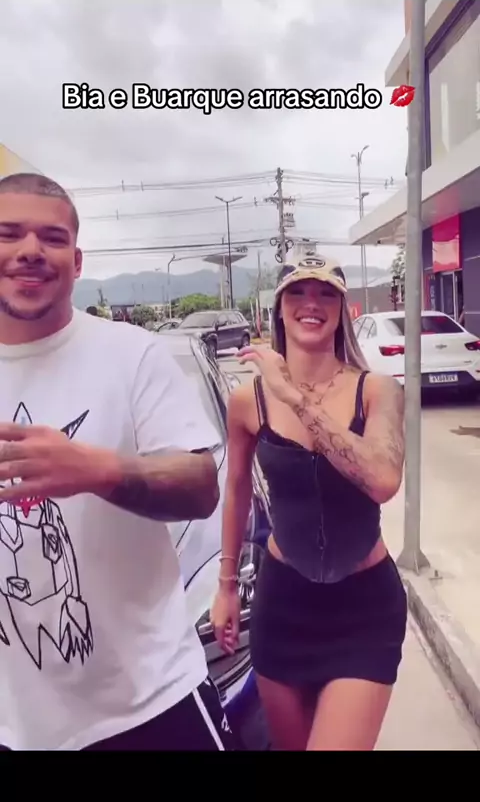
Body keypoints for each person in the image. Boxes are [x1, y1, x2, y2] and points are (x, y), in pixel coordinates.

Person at [0, 172, 235, 751]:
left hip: (151, 701)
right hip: (17, 725)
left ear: (77, 262)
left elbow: (199, 482)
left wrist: (97, 470)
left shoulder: (131, 355)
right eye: (8, 233)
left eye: (52, 238)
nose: (30, 250)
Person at [210, 252, 407, 751]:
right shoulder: (248, 401)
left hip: (365, 611)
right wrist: (227, 586)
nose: (311, 304)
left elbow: (383, 480)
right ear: (279, 308)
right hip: (283, 607)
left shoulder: (377, 390)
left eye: (325, 294)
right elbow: (237, 489)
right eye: (297, 292)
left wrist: (294, 396)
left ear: (342, 309)